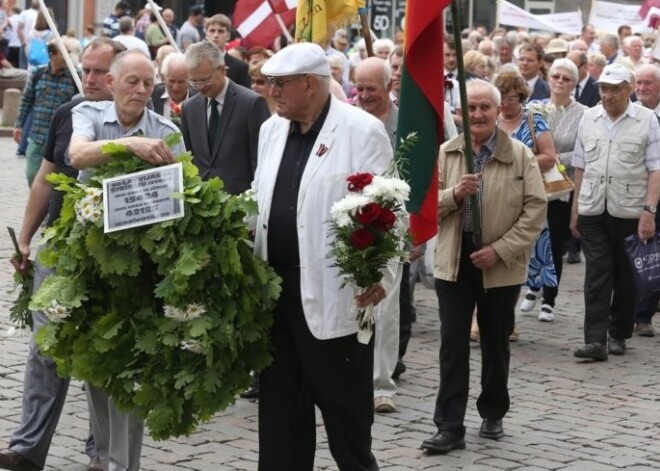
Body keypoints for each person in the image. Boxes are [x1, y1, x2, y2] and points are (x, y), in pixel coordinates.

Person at [253, 42, 394, 470]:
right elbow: (259, 200)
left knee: (346, 423)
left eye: (281, 84)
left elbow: (390, 210)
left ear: (311, 85)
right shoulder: (271, 130)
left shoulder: (361, 130)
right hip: (275, 293)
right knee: (280, 421)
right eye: (269, 83)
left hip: (335, 297)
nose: (272, 91)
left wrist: (381, 275)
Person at [2, 38, 127, 471]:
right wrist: (25, 237)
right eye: (85, 69)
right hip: (60, 245)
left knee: (99, 352)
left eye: (98, 72)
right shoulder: (66, 113)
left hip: (111, 256)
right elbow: (45, 179)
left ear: (118, 75)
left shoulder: (141, 122)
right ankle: (27, 448)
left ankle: (101, 451)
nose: (88, 79)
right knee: (45, 349)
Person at [68, 49, 185, 471]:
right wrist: (129, 144)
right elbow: (77, 156)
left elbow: (181, 194)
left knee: (132, 371)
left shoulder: (168, 130)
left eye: (147, 82)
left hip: (143, 269)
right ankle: (103, 455)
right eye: (132, 81)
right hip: (92, 264)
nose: (141, 90)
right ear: (112, 82)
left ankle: (124, 465)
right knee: (95, 365)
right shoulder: (89, 114)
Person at [420, 79, 546, 454]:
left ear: (497, 110)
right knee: (453, 344)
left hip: (498, 263)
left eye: (484, 108)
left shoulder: (520, 154)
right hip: (455, 260)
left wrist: (501, 249)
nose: (477, 114)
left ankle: (493, 410)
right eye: (470, 108)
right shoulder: (446, 152)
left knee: (494, 340)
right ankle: (449, 425)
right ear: (459, 112)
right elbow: (424, 206)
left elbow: (535, 209)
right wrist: (454, 194)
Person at [571, 63, 660, 361]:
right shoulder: (588, 117)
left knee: (624, 275)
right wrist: (576, 209)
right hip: (593, 207)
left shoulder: (647, 120)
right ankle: (595, 339)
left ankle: (619, 332)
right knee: (597, 273)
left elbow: (655, 168)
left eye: (614, 89)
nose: (607, 96)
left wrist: (649, 211)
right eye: (604, 89)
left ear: (629, 89)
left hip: (630, 209)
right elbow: (580, 165)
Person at [354, 56, 403, 413]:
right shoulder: (349, 121)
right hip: (352, 221)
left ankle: (382, 384)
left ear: (389, 86)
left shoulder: (407, 121)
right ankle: (352, 375)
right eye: (359, 88)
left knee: (385, 305)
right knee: (354, 304)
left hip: (396, 223)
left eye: (371, 88)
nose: (364, 95)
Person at [528, 59, 588, 322]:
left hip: (563, 188)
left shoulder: (584, 113)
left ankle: (549, 299)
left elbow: (582, 152)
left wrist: (550, 156)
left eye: (566, 78)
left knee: (553, 243)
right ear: (548, 78)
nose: (560, 81)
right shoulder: (535, 108)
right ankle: (531, 288)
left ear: (574, 84)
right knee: (530, 240)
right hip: (533, 185)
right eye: (556, 76)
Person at [181, 41, 269, 194]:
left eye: (205, 79)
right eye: (194, 81)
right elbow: (189, 159)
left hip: (242, 203)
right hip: (204, 206)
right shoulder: (189, 108)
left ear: (222, 70)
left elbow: (261, 161)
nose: (200, 87)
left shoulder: (251, 103)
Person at [13, 39, 78, 186]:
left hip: (61, 138)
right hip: (38, 135)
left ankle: (49, 207)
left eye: (69, 53)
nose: (68, 57)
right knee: (31, 175)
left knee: (56, 178)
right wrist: (19, 125)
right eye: (64, 53)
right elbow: (26, 101)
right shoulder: (38, 74)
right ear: (51, 54)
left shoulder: (75, 76)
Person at [632, 64, 660, 338]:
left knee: (653, 255)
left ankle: (644, 315)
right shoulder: (630, 114)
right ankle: (624, 311)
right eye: (638, 83)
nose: (641, 88)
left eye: (647, 83)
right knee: (630, 253)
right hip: (630, 194)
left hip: (657, 195)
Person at [203, 14, 251, 89]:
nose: (216, 35)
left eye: (220, 31)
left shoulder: (240, 67)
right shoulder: (194, 63)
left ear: (228, 35)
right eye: (212, 31)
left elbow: (246, 97)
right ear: (206, 34)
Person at [151, 52, 196, 118]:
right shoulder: (152, 94)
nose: (175, 88)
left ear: (190, 80)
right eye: (172, 81)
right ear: (164, 77)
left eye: (181, 82)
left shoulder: (200, 99)